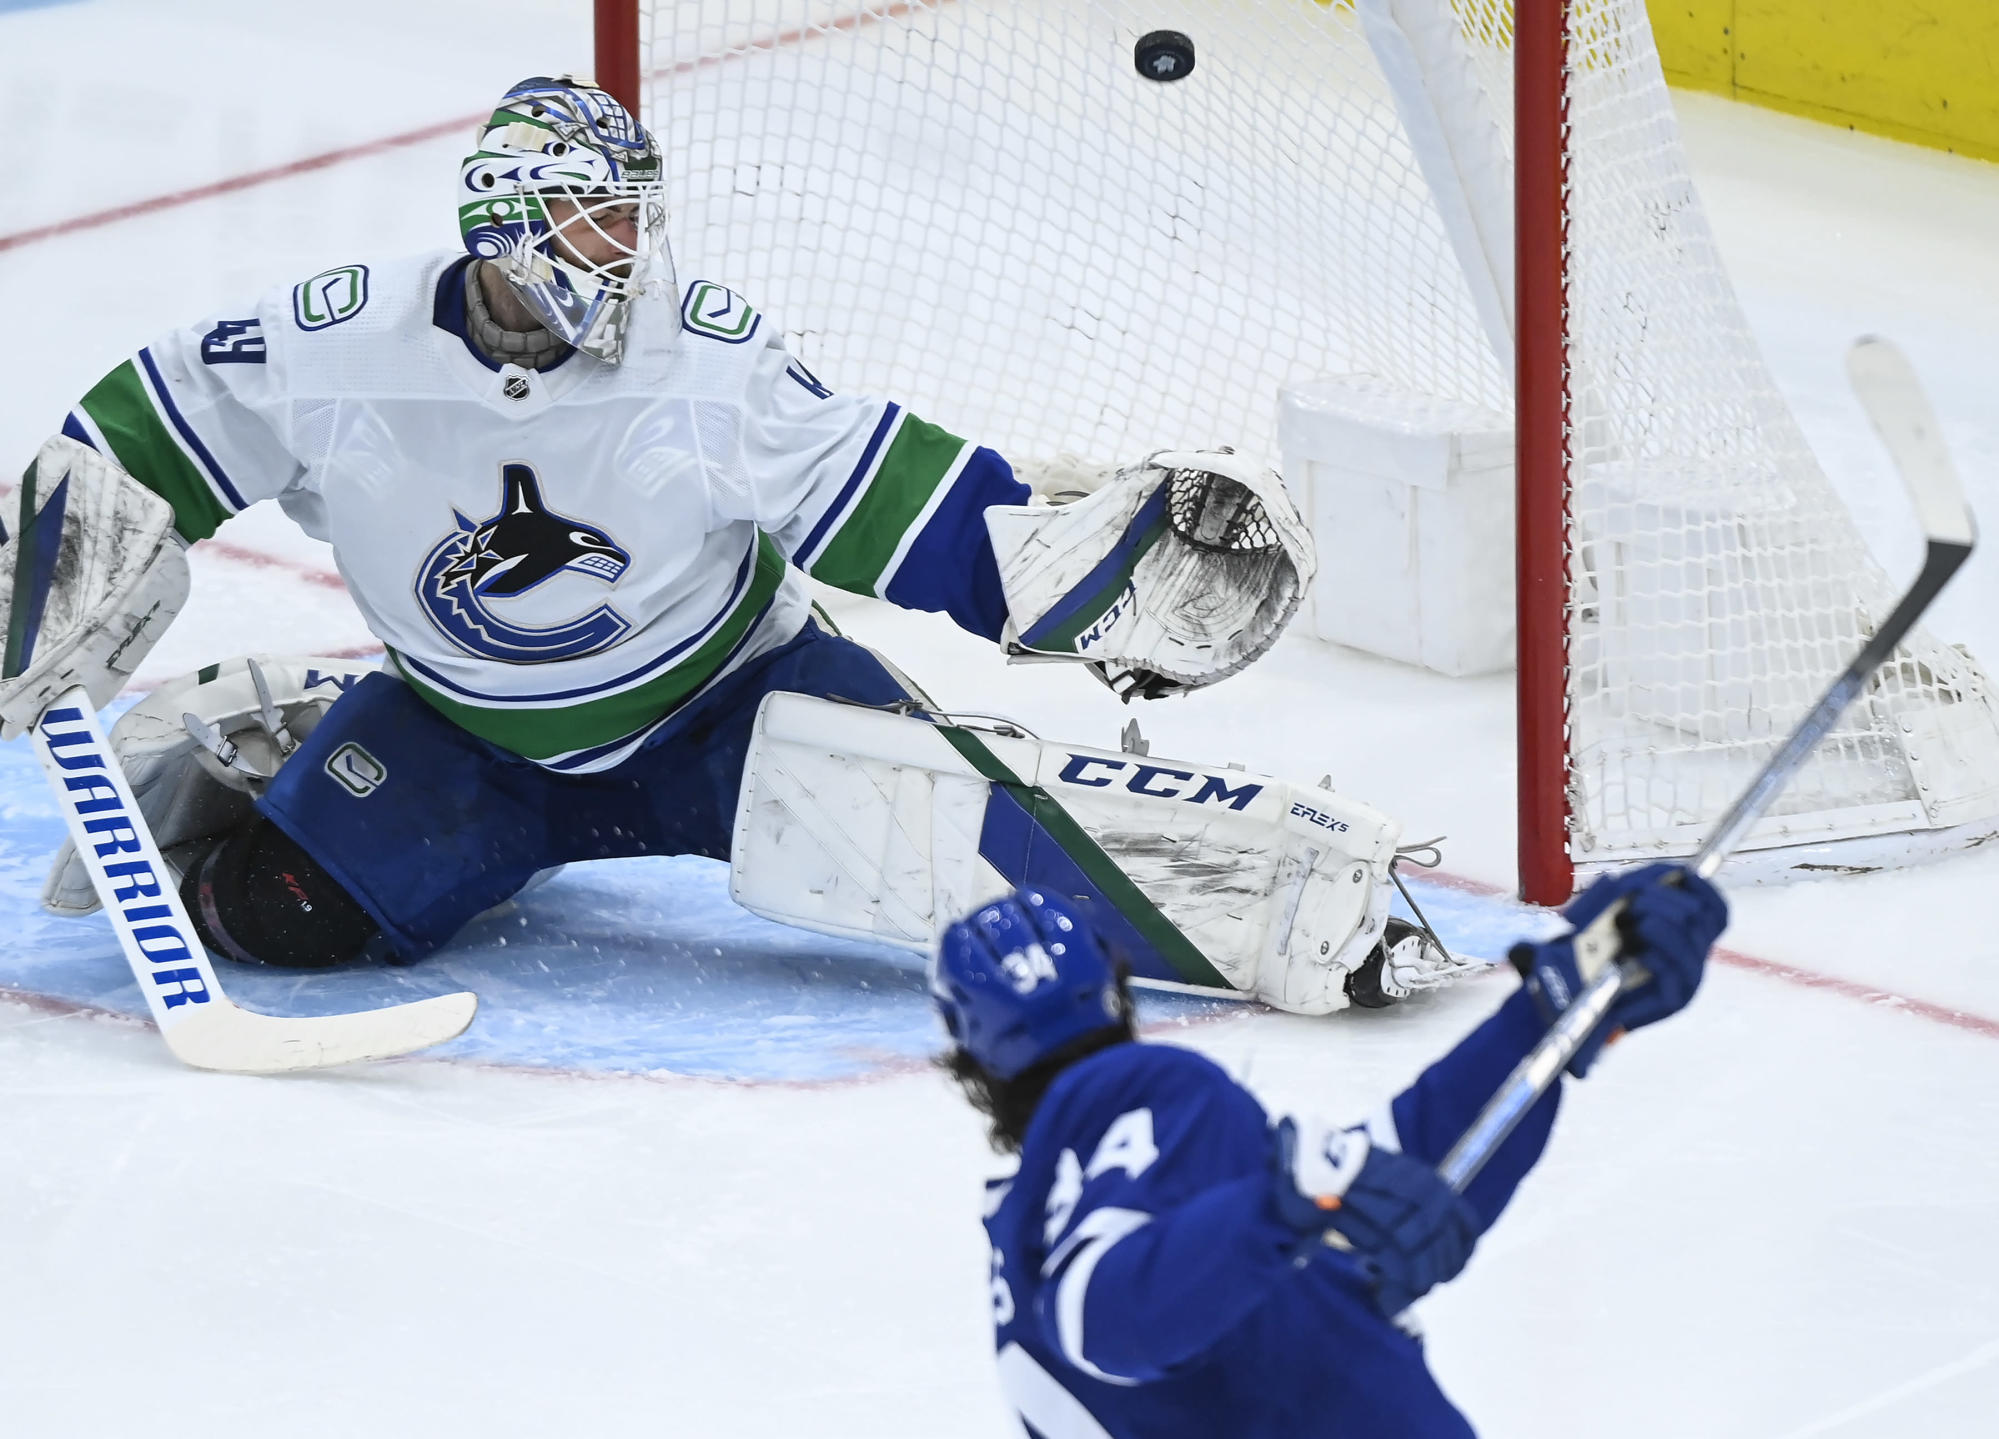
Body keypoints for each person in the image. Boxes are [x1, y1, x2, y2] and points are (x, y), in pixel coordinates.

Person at [2, 74, 1458, 1014]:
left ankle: (1308, 918)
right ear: (503, 229)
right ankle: (293, 744)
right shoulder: (336, 342)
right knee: (280, 918)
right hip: (462, 735)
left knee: (1006, 870)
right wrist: (49, 566)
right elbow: (138, 431)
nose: (623, 254)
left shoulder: (701, 363)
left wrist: (1075, 576)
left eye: (632, 219)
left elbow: (908, 508)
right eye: (588, 224)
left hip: (736, 709)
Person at [930, 865, 1729, 1437]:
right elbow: (1106, 1316)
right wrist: (1285, 1199)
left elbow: (1393, 1180)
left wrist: (1548, 1014)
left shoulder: (1034, 1231)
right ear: (1118, 988)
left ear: (972, 1063)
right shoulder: (1149, 1099)